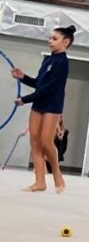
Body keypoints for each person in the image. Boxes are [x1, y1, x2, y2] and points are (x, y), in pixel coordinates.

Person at [11, 25, 75, 193]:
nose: (50, 41)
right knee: (35, 142)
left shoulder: (63, 62)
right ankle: (40, 182)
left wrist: (25, 99)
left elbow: (50, 88)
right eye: (49, 38)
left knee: (46, 141)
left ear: (65, 42)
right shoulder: (47, 60)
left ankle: (57, 173)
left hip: (52, 105)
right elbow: (39, 84)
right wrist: (23, 77)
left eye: (54, 39)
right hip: (39, 103)